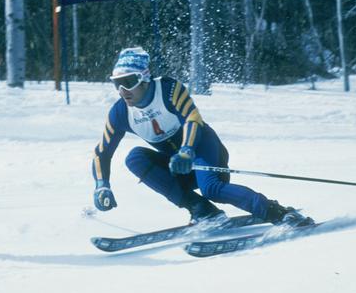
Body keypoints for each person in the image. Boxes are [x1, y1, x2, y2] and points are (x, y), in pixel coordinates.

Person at [90, 46, 314, 226]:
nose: (122, 91)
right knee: (134, 157)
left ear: (144, 78)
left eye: (128, 82)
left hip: (203, 151)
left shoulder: (168, 90)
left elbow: (192, 118)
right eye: (117, 84)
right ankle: (202, 211)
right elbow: (102, 152)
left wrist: (187, 150)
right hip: (178, 167)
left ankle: (278, 213)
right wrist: (102, 185)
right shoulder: (120, 112)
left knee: (212, 189)